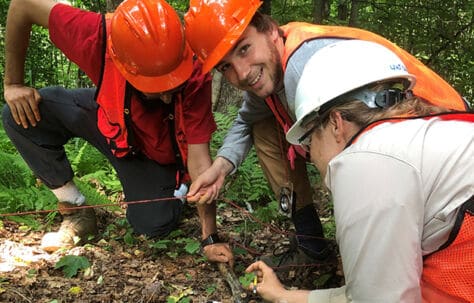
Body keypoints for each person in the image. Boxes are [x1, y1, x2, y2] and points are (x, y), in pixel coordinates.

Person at [183, 0, 469, 268]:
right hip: (407, 149)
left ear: (270, 30)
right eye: (226, 67)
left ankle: (382, 255)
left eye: (244, 49)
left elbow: (360, 157)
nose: (242, 73)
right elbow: (246, 120)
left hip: (440, 139)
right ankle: (314, 246)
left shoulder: (307, 67)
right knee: (263, 126)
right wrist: (220, 168)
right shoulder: (268, 72)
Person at [2, 0, 233, 265]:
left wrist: (209, 237)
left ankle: (173, 191)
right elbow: (23, 5)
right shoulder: (96, 37)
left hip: (154, 153)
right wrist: (13, 83)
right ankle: (76, 210)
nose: (168, 98)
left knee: (153, 223)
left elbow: (199, 155)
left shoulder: (194, 69)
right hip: (108, 117)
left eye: (173, 83)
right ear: (123, 64)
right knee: (19, 115)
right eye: (156, 87)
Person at [245, 39, 474, 303]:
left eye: (309, 140)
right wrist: (284, 296)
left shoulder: (366, 159)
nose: (310, 155)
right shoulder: (417, 137)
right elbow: (376, 291)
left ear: (335, 123)